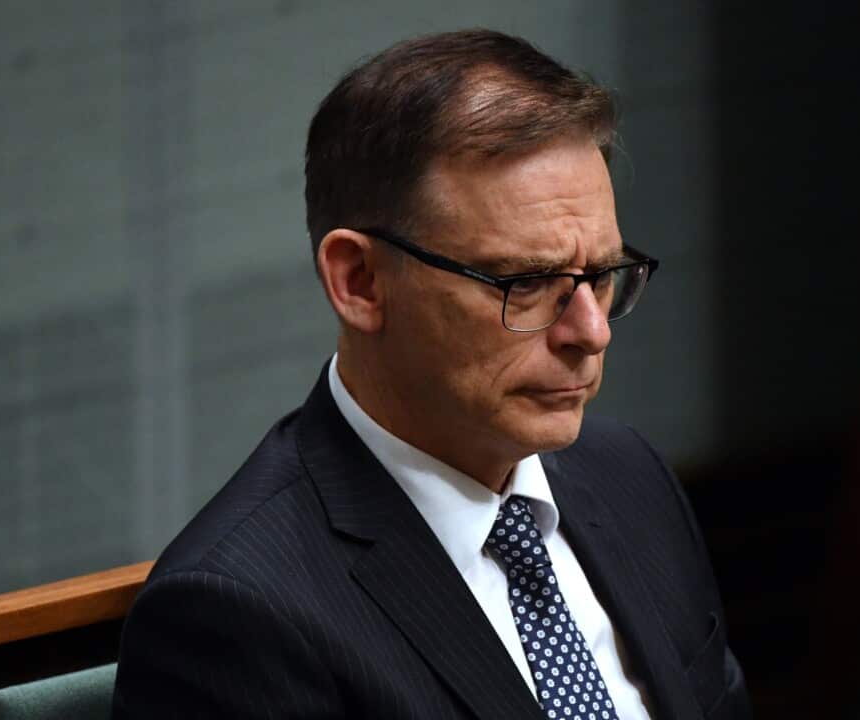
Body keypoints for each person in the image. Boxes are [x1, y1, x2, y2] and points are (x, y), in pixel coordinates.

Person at [112, 29, 750, 720]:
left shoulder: (630, 477)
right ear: (359, 282)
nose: (591, 332)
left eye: (601, 276)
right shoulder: (236, 614)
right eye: (527, 283)